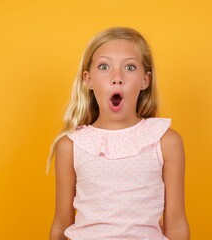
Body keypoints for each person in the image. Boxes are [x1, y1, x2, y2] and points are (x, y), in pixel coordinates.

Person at [47, 27, 190, 240]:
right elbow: (61, 225)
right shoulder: (71, 146)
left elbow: (177, 226)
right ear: (89, 80)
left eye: (130, 67)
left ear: (145, 80)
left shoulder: (165, 142)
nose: (117, 78)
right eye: (104, 67)